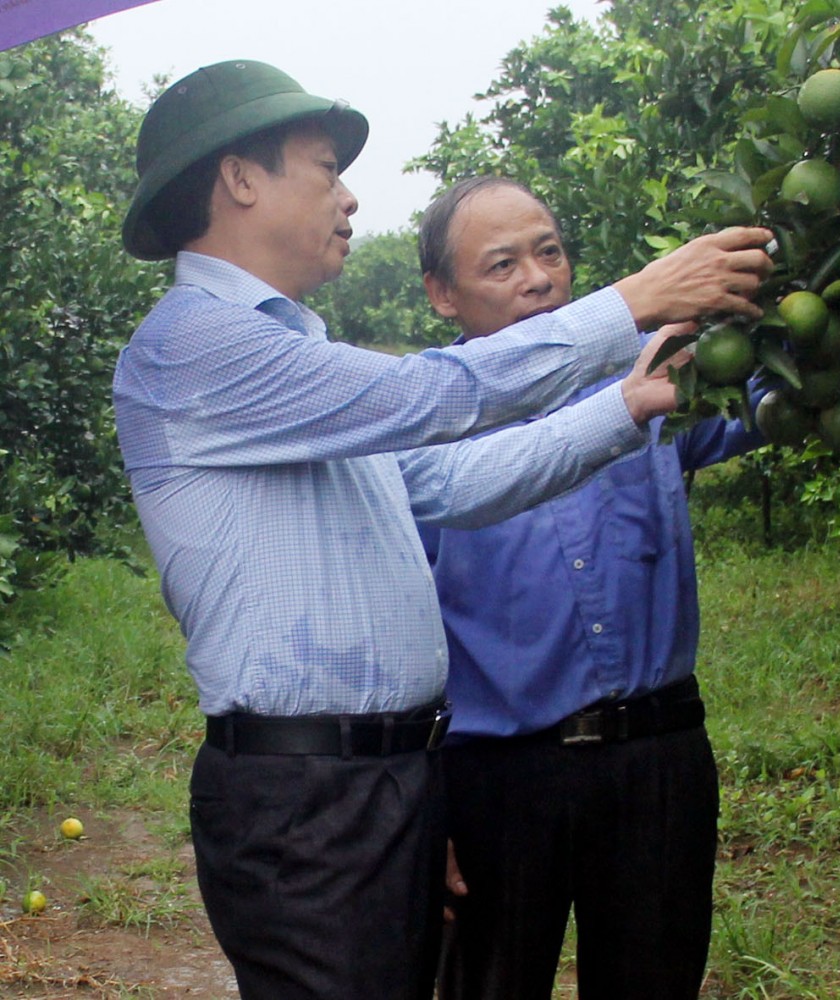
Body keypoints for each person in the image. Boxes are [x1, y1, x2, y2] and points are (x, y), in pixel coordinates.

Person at [112, 60, 772, 1000]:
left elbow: (452, 479)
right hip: (308, 801)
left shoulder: (298, 352)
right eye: (325, 166)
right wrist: (633, 302)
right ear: (241, 179)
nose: (348, 196)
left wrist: (629, 403)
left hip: (380, 783)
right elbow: (437, 396)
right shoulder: (195, 347)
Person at [417, 177, 764, 999]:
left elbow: (779, 394)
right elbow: (394, 632)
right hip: (496, 781)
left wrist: (798, 286)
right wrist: (420, 811)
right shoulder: (422, 424)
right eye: (501, 264)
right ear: (441, 295)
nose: (537, 279)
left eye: (549, 252)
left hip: (656, 760)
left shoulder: (646, 381)